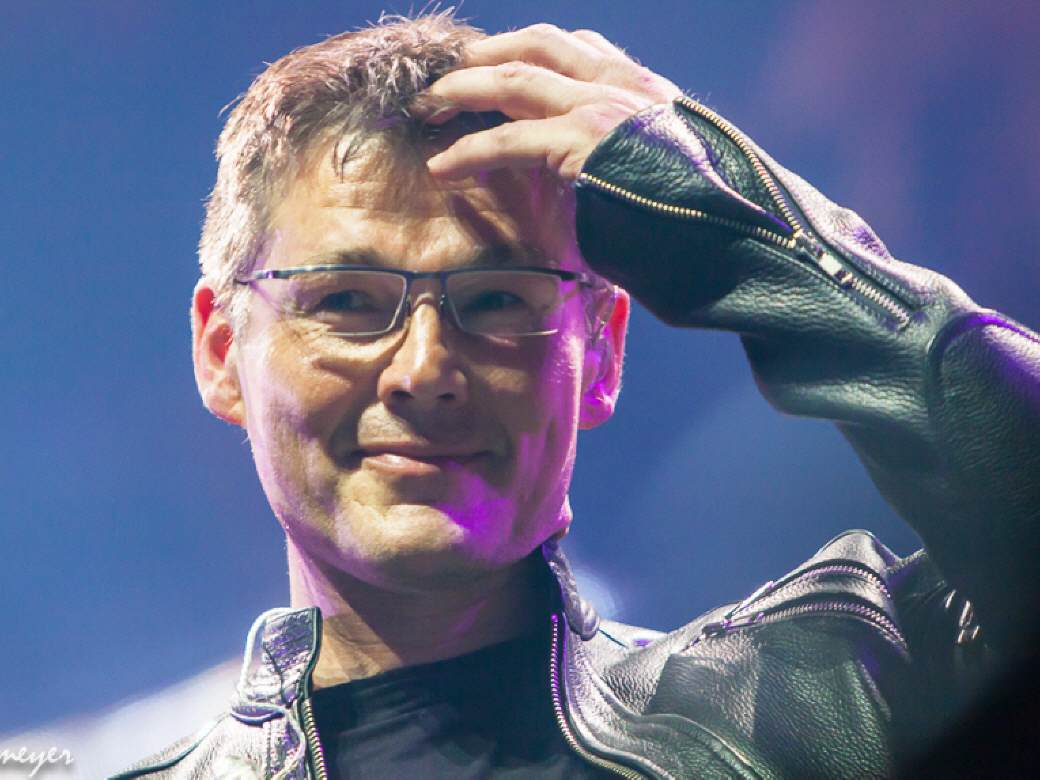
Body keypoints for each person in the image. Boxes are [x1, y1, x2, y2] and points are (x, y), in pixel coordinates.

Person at [112, 12, 1040, 779]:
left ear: (601, 355)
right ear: (222, 352)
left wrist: (747, 227)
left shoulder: (837, 696)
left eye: (496, 300)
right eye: (347, 302)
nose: (424, 369)